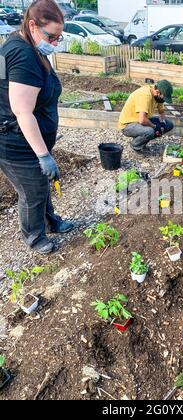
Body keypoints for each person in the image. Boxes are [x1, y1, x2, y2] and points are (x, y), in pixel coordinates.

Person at [0, 0, 73, 255]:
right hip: (16, 143)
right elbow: (21, 110)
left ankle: (51, 221)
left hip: (30, 137)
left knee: (42, 183)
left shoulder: (25, 44)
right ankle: (34, 236)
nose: (54, 43)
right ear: (32, 25)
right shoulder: (22, 54)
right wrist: (43, 155)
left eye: (59, 38)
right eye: (52, 36)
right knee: (32, 190)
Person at [118, 80, 174, 154]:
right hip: (128, 125)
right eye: (163, 97)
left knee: (169, 124)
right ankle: (136, 145)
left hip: (141, 121)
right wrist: (155, 127)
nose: (163, 100)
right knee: (149, 131)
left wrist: (162, 124)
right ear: (157, 91)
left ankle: (141, 141)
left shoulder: (158, 97)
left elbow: (161, 112)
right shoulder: (145, 95)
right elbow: (142, 120)